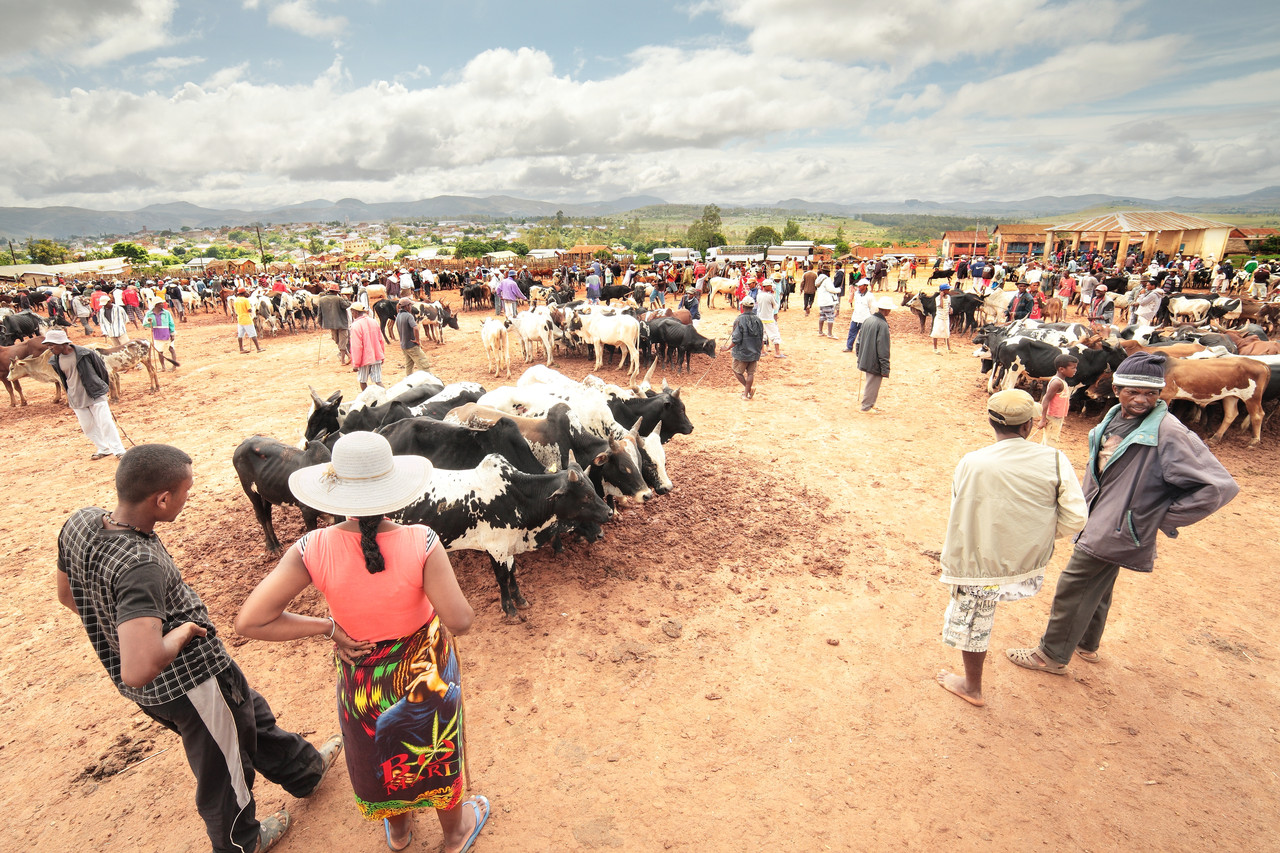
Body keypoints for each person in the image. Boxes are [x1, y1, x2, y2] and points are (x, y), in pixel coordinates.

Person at [56, 443, 342, 853]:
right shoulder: (140, 564)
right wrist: (183, 631)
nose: (188, 498)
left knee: (249, 718)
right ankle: (240, 842)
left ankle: (306, 772)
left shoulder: (80, 522)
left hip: (195, 681)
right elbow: (139, 667)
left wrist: (114, 621)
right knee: (222, 764)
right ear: (162, 499)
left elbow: (68, 595)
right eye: (186, 492)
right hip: (189, 684)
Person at [236, 432, 491, 853]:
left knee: (379, 749)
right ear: (392, 488)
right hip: (425, 677)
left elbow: (251, 620)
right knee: (436, 748)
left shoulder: (311, 546)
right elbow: (460, 621)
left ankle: (398, 832)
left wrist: (328, 628)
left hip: (362, 681)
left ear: (335, 492)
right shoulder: (422, 541)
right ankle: (455, 834)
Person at [1007, 352, 1239, 675]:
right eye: (1134, 391)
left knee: (1074, 584)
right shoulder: (1115, 416)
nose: (1142, 399)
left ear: (1161, 394)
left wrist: (1159, 516)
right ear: (1116, 389)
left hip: (1118, 523)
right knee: (1101, 583)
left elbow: (1218, 487)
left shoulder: (1169, 433)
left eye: (1151, 393)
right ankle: (1087, 644)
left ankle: (1051, 654)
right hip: (1102, 515)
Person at [936, 389, 1087, 706]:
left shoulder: (972, 462)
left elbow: (960, 507)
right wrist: (1034, 538)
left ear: (991, 422)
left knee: (977, 617)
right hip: (1026, 565)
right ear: (1028, 426)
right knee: (984, 609)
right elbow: (1076, 517)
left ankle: (971, 687)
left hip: (979, 563)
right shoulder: (1055, 460)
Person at [43, 329, 128, 460]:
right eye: (48, 345)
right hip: (76, 397)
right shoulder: (55, 360)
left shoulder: (85, 354)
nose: (49, 348)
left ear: (62, 343)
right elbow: (64, 379)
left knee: (105, 423)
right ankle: (103, 448)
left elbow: (102, 371)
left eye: (51, 345)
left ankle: (119, 450)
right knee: (87, 426)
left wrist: (101, 387)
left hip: (94, 393)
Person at [856, 297, 894, 412]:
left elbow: (859, 339)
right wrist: (885, 367)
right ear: (887, 310)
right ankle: (866, 406)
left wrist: (859, 355)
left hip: (865, 357)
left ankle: (870, 403)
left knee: (871, 382)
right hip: (874, 360)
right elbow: (883, 348)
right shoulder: (882, 325)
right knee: (873, 383)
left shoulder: (868, 320)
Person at [1034, 354, 1077, 448]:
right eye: (1073, 368)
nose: (1075, 370)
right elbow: (1045, 399)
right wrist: (1043, 419)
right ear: (1061, 369)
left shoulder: (1061, 382)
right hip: (1053, 417)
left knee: (1047, 440)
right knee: (1051, 442)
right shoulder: (1057, 383)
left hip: (1057, 417)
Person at [728, 295, 765, 400]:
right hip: (755, 352)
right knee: (750, 373)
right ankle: (746, 393)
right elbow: (762, 336)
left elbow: (736, 339)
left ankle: (747, 390)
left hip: (742, 352)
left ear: (742, 306)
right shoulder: (758, 320)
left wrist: (727, 348)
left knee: (737, 371)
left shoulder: (739, 320)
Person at [348, 302, 386, 390]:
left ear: (356, 312)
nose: (352, 314)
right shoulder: (374, 322)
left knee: (362, 380)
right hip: (377, 356)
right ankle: (386, 399)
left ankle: (367, 399)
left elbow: (356, 346)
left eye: (352, 312)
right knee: (378, 381)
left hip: (364, 359)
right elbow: (381, 340)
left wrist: (356, 363)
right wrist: (381, 356)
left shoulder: (355, 325)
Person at [395, 298, 433, 375]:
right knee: (423, 363)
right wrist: (417, 340)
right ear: (407, 306)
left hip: (404, 345)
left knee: (409, 365)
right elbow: (415, 328)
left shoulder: (398, 315)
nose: (411, 307)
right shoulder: (409, 316)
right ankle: (428, 380)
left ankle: (408, 380)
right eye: (410, 305)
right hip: (412, 345)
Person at [143, 298, 180, 370]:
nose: (163, 304)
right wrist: (148, 321)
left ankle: (174, 366)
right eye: (160, 303)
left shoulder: (166, 313)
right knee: (160, 352)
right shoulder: (149, 314)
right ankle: (163, 367)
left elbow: (171, 323)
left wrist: (172, 333)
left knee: (171, 349)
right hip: (157, 334)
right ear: (156, 305)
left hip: (167, 333)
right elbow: (145, 324)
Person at [318, 285, 351, 364]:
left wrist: (320, 323)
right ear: (337, 291)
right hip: (342, 323)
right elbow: (348, 305)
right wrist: (346, 299)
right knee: (342, 342)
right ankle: (344, 360)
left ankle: (348, 357)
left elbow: (319, 313)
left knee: (337, 341)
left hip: (330, 324)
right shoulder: (339, 299)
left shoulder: (321, 300)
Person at [756, 278, 786, 358]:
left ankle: (762, 351)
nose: (771, 287)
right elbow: (776, 306)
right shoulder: (770, 296)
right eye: (770, 286)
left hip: (760, 318)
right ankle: (777, 352)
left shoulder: (759, 295)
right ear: (766, 286)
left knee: (762, 335)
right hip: (769, 318)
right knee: (775, 335)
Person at [843, 280, 874, 352]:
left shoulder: (870, 296)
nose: (859, 287)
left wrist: (871, 317)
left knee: (864, 335)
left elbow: (872, 308)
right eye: (858, 285)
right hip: (855, 317)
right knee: (851, 333)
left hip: (865, 318)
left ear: (865, 286)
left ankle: (862, 349)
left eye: (861, 285)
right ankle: (849, 346)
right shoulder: (856, 294)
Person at [234, 288, 265, 354]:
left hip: (240, 319)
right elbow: (249, 310)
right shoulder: (245, 300)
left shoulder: (236, 300)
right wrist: (252, 309)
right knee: (253, 334)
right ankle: (258, 348)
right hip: (247, 319)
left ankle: (241, 349)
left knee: (240, 335)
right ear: (244, 293)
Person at [814, 268, 839, 338]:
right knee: (830, 317)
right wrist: (839, 290)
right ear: (827, 273)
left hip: (821, 301)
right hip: (827, 302)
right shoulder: (827, 280)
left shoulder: (819, 280)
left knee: (822, 316)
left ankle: (820, 331)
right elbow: (831, 289)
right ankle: (830, 334)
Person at [931, 283, 953, 353]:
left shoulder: (948, 297)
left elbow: (948, 305)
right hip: (939, 317)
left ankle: (948, 348)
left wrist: (950, 308)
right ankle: (935, 348)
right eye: (947, 289)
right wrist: (941, 297)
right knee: (936, 332)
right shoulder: (937, 298)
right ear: (943, 291)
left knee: (946, 332)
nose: (949, 290)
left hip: (946, 317)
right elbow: (941, 306)